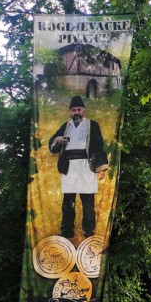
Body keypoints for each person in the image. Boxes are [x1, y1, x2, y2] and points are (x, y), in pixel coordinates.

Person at [49, 96, 108, 238]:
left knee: (87, 202)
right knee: (68, 202)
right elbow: (53, 144)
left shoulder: (92, 125)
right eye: (74, 110)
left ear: (84, 110)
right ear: (70, 112)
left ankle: (89, 232)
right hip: (69, 168)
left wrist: (102, 167)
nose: (76, 112)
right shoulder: (65, 126)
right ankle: (67, 232)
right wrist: (58, 141)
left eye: (79, 110)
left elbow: (99, 145)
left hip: (86, 167)